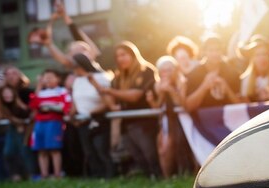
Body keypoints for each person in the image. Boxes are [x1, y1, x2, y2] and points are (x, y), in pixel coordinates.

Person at [93, 41, 161, 178]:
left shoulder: (146, 70)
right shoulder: (118, 77)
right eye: (117, 56)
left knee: (150, 153)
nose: (120, 59)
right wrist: (101, 90)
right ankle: (149, 177)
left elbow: (136, 95)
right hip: (126, 123)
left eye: (123, 55)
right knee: (136, 154)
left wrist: (109, 91)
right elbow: (114, 105)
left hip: (144, 121)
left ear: (133, 55)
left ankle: (160, 176)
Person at [146, 55, 196, 178]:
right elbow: (158, 106)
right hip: (167, 120)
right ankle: (167, 177)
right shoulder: (158, 84)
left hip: (183, 120)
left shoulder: (181, 81)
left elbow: (181, 103)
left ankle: (189, 174)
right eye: (164, 70)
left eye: (170, 69)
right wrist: (152, 100)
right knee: (164, 148)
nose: (167, 73)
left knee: (186, 146)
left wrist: (171, 90)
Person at [70, 53, 115, 178]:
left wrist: (93, 112)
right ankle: (96, 176)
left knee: (101, 149)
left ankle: (109, 176)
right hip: (82, 121)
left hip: (99, 119)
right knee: (89, 151)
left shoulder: (101, 77)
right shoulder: (77, 81)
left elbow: (108, 100)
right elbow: (76, 100)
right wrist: (72, 115)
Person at [29, 69, 71, 179]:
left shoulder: (62, 91)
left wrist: (52, 107)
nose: (48, 79)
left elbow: (66, 106)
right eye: (45, 77)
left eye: (51, 77)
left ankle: (57, 174)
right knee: (41, 150)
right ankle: (44, 174)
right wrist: (38, 86)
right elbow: (33, 105)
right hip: (40, 123)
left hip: (54, 123)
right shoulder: (40, 93)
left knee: (54, 149)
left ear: (58, 79)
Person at [186, 35, 242, 112]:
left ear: (222, 51)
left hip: (230, 121)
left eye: (217, 50)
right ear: (204, 52)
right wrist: (204, 86)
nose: (215, 54)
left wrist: (227, 89)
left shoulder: (232, 72)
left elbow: (241, 105)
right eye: (211, 50)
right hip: (203, 121)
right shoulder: (194, 74)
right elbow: (188, 107)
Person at [0, 85, 35, 181]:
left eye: (8, 93)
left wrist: (23, 124)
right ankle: (15, 174)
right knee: (8, 152)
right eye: (4, 94)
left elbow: (30, 113)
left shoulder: (20, 103)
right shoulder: (3, 106)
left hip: (26, 129)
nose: (7, 95)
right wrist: (19, 124)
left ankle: (30, 173)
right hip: (13, 129)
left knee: (25, 151)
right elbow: (10, 118)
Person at [238, 35, 269, 102]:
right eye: (257, 55)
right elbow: (245, 104)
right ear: (252, 58)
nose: (262, 58)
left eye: (264, 54)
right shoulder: (246, 79)